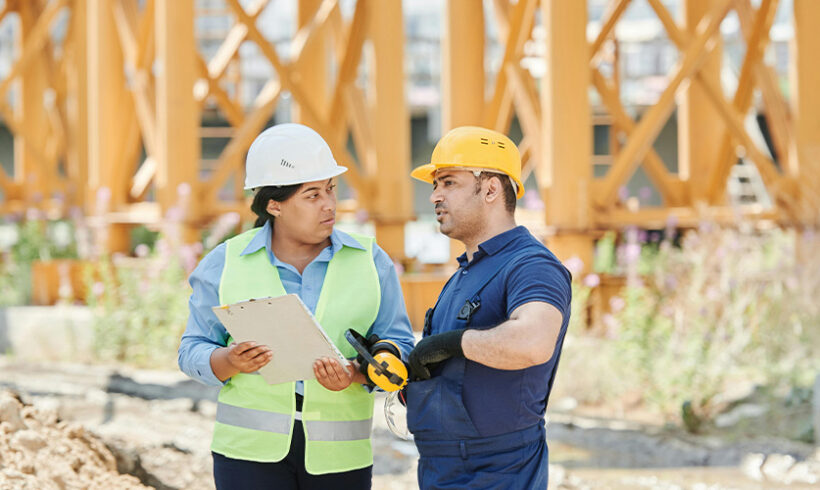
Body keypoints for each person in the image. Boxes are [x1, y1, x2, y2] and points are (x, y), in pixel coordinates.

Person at [178, 123, 415, 490]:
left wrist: (356, 373)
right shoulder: (225, 262)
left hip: (340, 458)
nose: (329, 204)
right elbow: (191, 349)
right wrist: (228, 361)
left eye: (331, 189)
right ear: (274, 205)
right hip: (247, 456)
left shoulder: (371, 262)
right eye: (312, 195)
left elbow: (400, 344)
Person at [405, 126, 572, 489]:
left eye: (448, 182)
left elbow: (532, 342)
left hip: (498, 471)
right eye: (435, 185)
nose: (435, 196)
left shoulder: (531, 265)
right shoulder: (464, 274)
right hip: (442, 468)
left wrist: (448, 344)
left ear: (491, 189)